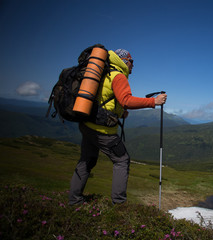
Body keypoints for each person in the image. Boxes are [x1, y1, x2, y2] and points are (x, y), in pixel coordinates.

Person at [69, 48, 167, 205]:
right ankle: (119, 204)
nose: (133, 65)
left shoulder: (104, 73)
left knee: (86, 160)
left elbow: (104, 99)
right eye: (132, 62)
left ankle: (74, 200)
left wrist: (119, 113)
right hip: (102, 130)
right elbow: (126, 100)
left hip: (87, 124)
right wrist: (153, 102)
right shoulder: (118, 76)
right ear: (125, 61)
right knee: (122, 160)